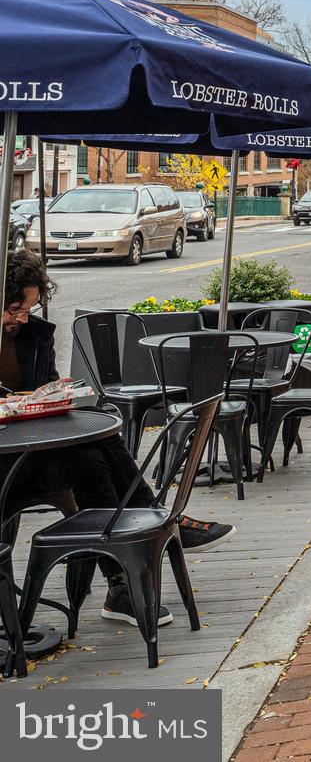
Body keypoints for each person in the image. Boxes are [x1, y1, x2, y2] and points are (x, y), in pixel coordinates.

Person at [2, 250, 233, 627]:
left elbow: (42, 387)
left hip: (35, 449)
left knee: (96, 446)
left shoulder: (35, 335)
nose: (23, 318)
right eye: (15, 309)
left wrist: (51, 394)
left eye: (29, 309)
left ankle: (125, 581)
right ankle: (155, 527)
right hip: (6, 465)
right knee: (91, 457)